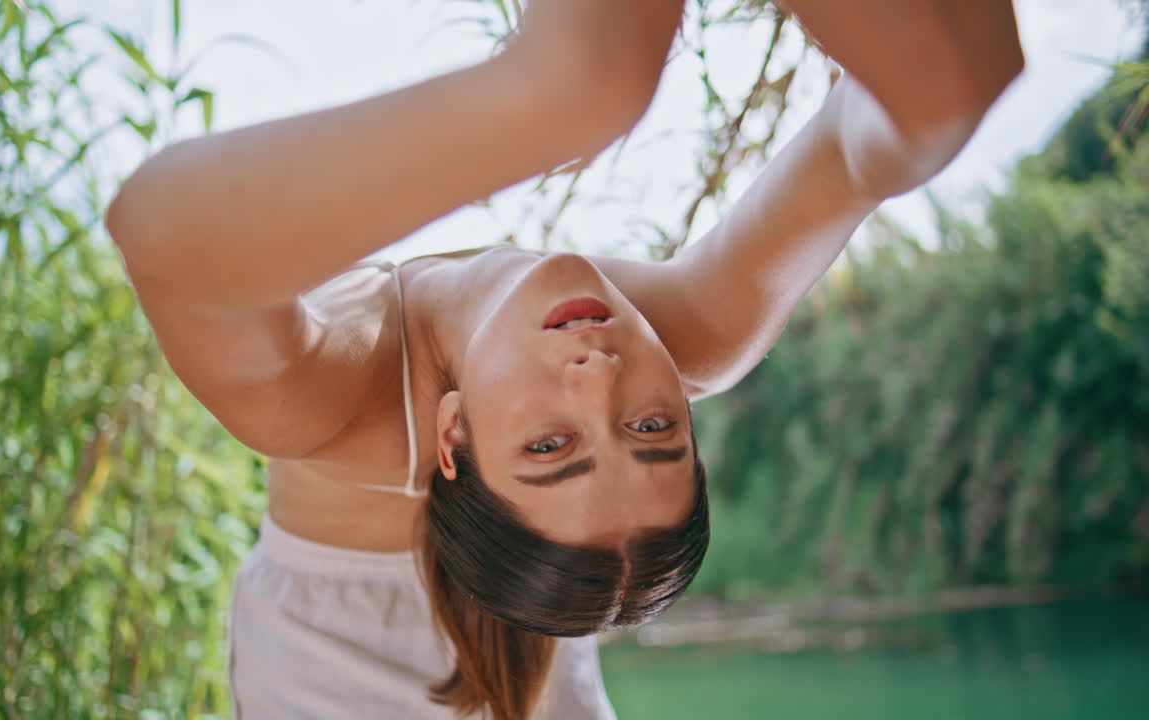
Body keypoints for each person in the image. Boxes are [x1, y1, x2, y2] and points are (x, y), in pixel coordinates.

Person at [105, 1, 1024, 717]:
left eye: (551, 447)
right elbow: (899, 125)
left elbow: (157, 232)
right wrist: (933, 88)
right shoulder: (687, 339)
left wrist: (562, 94)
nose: (601, 380)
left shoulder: (328, 401)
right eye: (653, 428)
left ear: (451, 434)